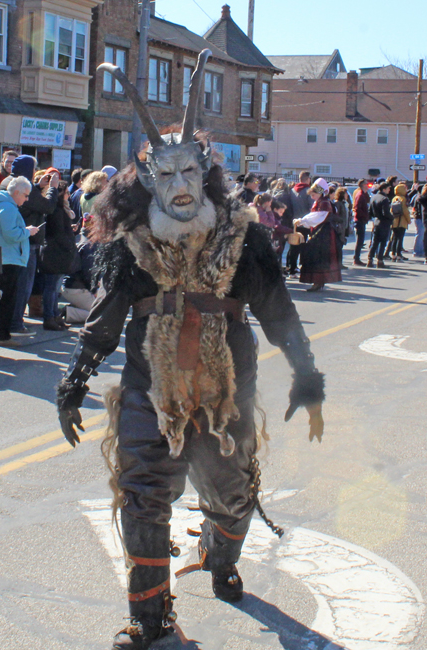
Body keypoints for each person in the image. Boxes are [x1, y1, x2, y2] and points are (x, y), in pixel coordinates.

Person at [55, 50, 325, 650]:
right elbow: (107, 318)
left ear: (206, 173)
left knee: (231, 496)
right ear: (149, 180)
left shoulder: (244, 236)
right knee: (143, 492)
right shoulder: (132, 244)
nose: (178, 188)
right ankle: (150, 621)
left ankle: (220, 554)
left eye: (188, 174)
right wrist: (74, 380)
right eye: (165, 175)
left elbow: (279, 312)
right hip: (150, 386)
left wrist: (308, 378)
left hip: (226, 386)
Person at [0, 155, 59, 335]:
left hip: (9, 240)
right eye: (33, 168)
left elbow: (30, 199)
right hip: (25, 240)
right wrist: (52, 189)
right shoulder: (21, 185)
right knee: (22, 286)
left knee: (4, 287)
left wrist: (37, 187)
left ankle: (4, 323)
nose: (35, 171)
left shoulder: (7, 182)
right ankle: (15, 323)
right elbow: (47, 206)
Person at [0, 177, 39, 346]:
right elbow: (12, 234)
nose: (27, 199)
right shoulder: (8, 208)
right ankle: (2, 336)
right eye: (25, 195)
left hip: (2, 254)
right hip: (10, 257)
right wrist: (27, 231)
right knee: (7, 297)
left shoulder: (1, 204)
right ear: (16, 193)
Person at [39, 181, 78, 331]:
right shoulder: (56, 210)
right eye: (67, 192)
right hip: (55, 254)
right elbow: (58, 233)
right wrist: (70, 244)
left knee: (55, 288)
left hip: (58, 253)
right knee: (51, 287)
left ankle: (55, 316)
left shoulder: (62, 209)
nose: (69, 195)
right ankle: (49, 317)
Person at [294, 177, 343, 292]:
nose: (312, 197)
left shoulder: (325, 203)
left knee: (319, 257)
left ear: (319, 193)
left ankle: (318, 281)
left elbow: (317, 217)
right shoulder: (321, 202)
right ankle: (318, 281)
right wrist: (302, 221)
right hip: (320, 232)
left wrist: (301, 221)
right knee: (318, 258)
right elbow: (314, 217)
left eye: (313, 194)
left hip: (324, 234)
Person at [286, 171, 313, 276]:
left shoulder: (292, 190)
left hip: (294, 221)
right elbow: (312, 207)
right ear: (308, 179)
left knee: (293, 246)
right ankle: (300, 266)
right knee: (302, 246)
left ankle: (291, 267)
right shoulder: (308, 191)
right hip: (304, 222)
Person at [366, 182, 393, 268]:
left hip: (376, 221)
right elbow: (385, 213)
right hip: (384, 222)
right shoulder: (384, 199)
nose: (389, 190)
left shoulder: (373, 197)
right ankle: (380, 260)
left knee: (375, 242)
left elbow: (370, 211)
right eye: (388, 188)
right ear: (384, 189)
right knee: (382, 242)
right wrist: (392, 217)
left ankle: (370, 259)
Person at [389, 183, 411, 261]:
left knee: (394, 238)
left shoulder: (394, 198)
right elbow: (405, 211)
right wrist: (409, 220)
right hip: (402, 221)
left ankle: (393, 254)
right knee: (400, 238)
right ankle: (399, 254)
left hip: (395, 220)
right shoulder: (403, 199)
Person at [352, 179, 370, 266]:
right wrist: (364, 216)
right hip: (359, 220)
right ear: (363, 185)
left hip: (362, 220)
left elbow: (368, 200)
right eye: (367, 184)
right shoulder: (360, 195)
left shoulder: (363, 194)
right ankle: (356, 258)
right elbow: (357, 208)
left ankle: (356, 257)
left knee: (361, 240)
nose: (368, 185)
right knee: (360, 240)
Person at [333, 187, 349, 268]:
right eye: (346, 193)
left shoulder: (344, 203)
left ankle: (339, 263)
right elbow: (336, 216)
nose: (347, 195)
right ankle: (338, 264)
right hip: (339, 228)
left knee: (341, 245)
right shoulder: (338, 204)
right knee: (338, 246)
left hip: (344, 228)